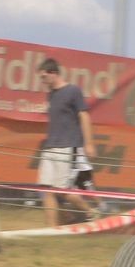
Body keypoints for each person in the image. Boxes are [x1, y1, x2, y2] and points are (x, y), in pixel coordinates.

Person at [37, 58, 99, 226]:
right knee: (46, 190)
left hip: (68, 146)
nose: (42, 81)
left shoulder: (73, 91)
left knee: (62, 190)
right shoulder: (51, 95)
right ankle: (51, 230)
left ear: (53, 73)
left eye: (44, 77)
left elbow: (84, 116)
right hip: (50, 147)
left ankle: (91, 212)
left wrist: (89, 143)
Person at [72, 146, 109, 214]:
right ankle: (90, 212)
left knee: (89, 190)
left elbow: (90, 152)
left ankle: (102, 207)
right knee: (73, 191)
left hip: (83, 169)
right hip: (73, 168)